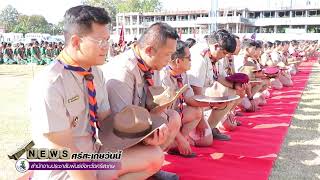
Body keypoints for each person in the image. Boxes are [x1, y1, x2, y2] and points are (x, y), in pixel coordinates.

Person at [29, 5, 112, 180]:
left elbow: (105, 119)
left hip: (93, 156)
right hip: (62, 167)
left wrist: (139, 129)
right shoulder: (50, 83)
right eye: (101, 42)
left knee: (152, 158)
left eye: (108, 40)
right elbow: (64, 149)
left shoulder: (95, 73)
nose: (106, 47)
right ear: (75, 42)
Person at [101, 22, 181, 180]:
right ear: (149, 50)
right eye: (167, 54)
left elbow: (152, 104)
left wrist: (161, 108)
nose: (170, 59)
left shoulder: (152, 64)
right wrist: (147, 140)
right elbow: (121, 129)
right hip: (111, 141)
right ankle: (143, 166)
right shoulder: (122, 71)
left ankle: (150, 169)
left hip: (140, 123)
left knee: (172, 118)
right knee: (155, 155)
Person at [188, 30, 242, 141]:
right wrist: (201, 120)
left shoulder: (214, 54)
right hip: (189, 102)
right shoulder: (200, 57)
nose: (225, 56)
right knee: (205, 141)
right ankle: (194, 129)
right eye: (224, 53)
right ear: (216, 46)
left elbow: (220, 77)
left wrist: (235, 86)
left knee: (231, 94)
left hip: (202, 96)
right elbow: (195, 94)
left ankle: (211, 127)